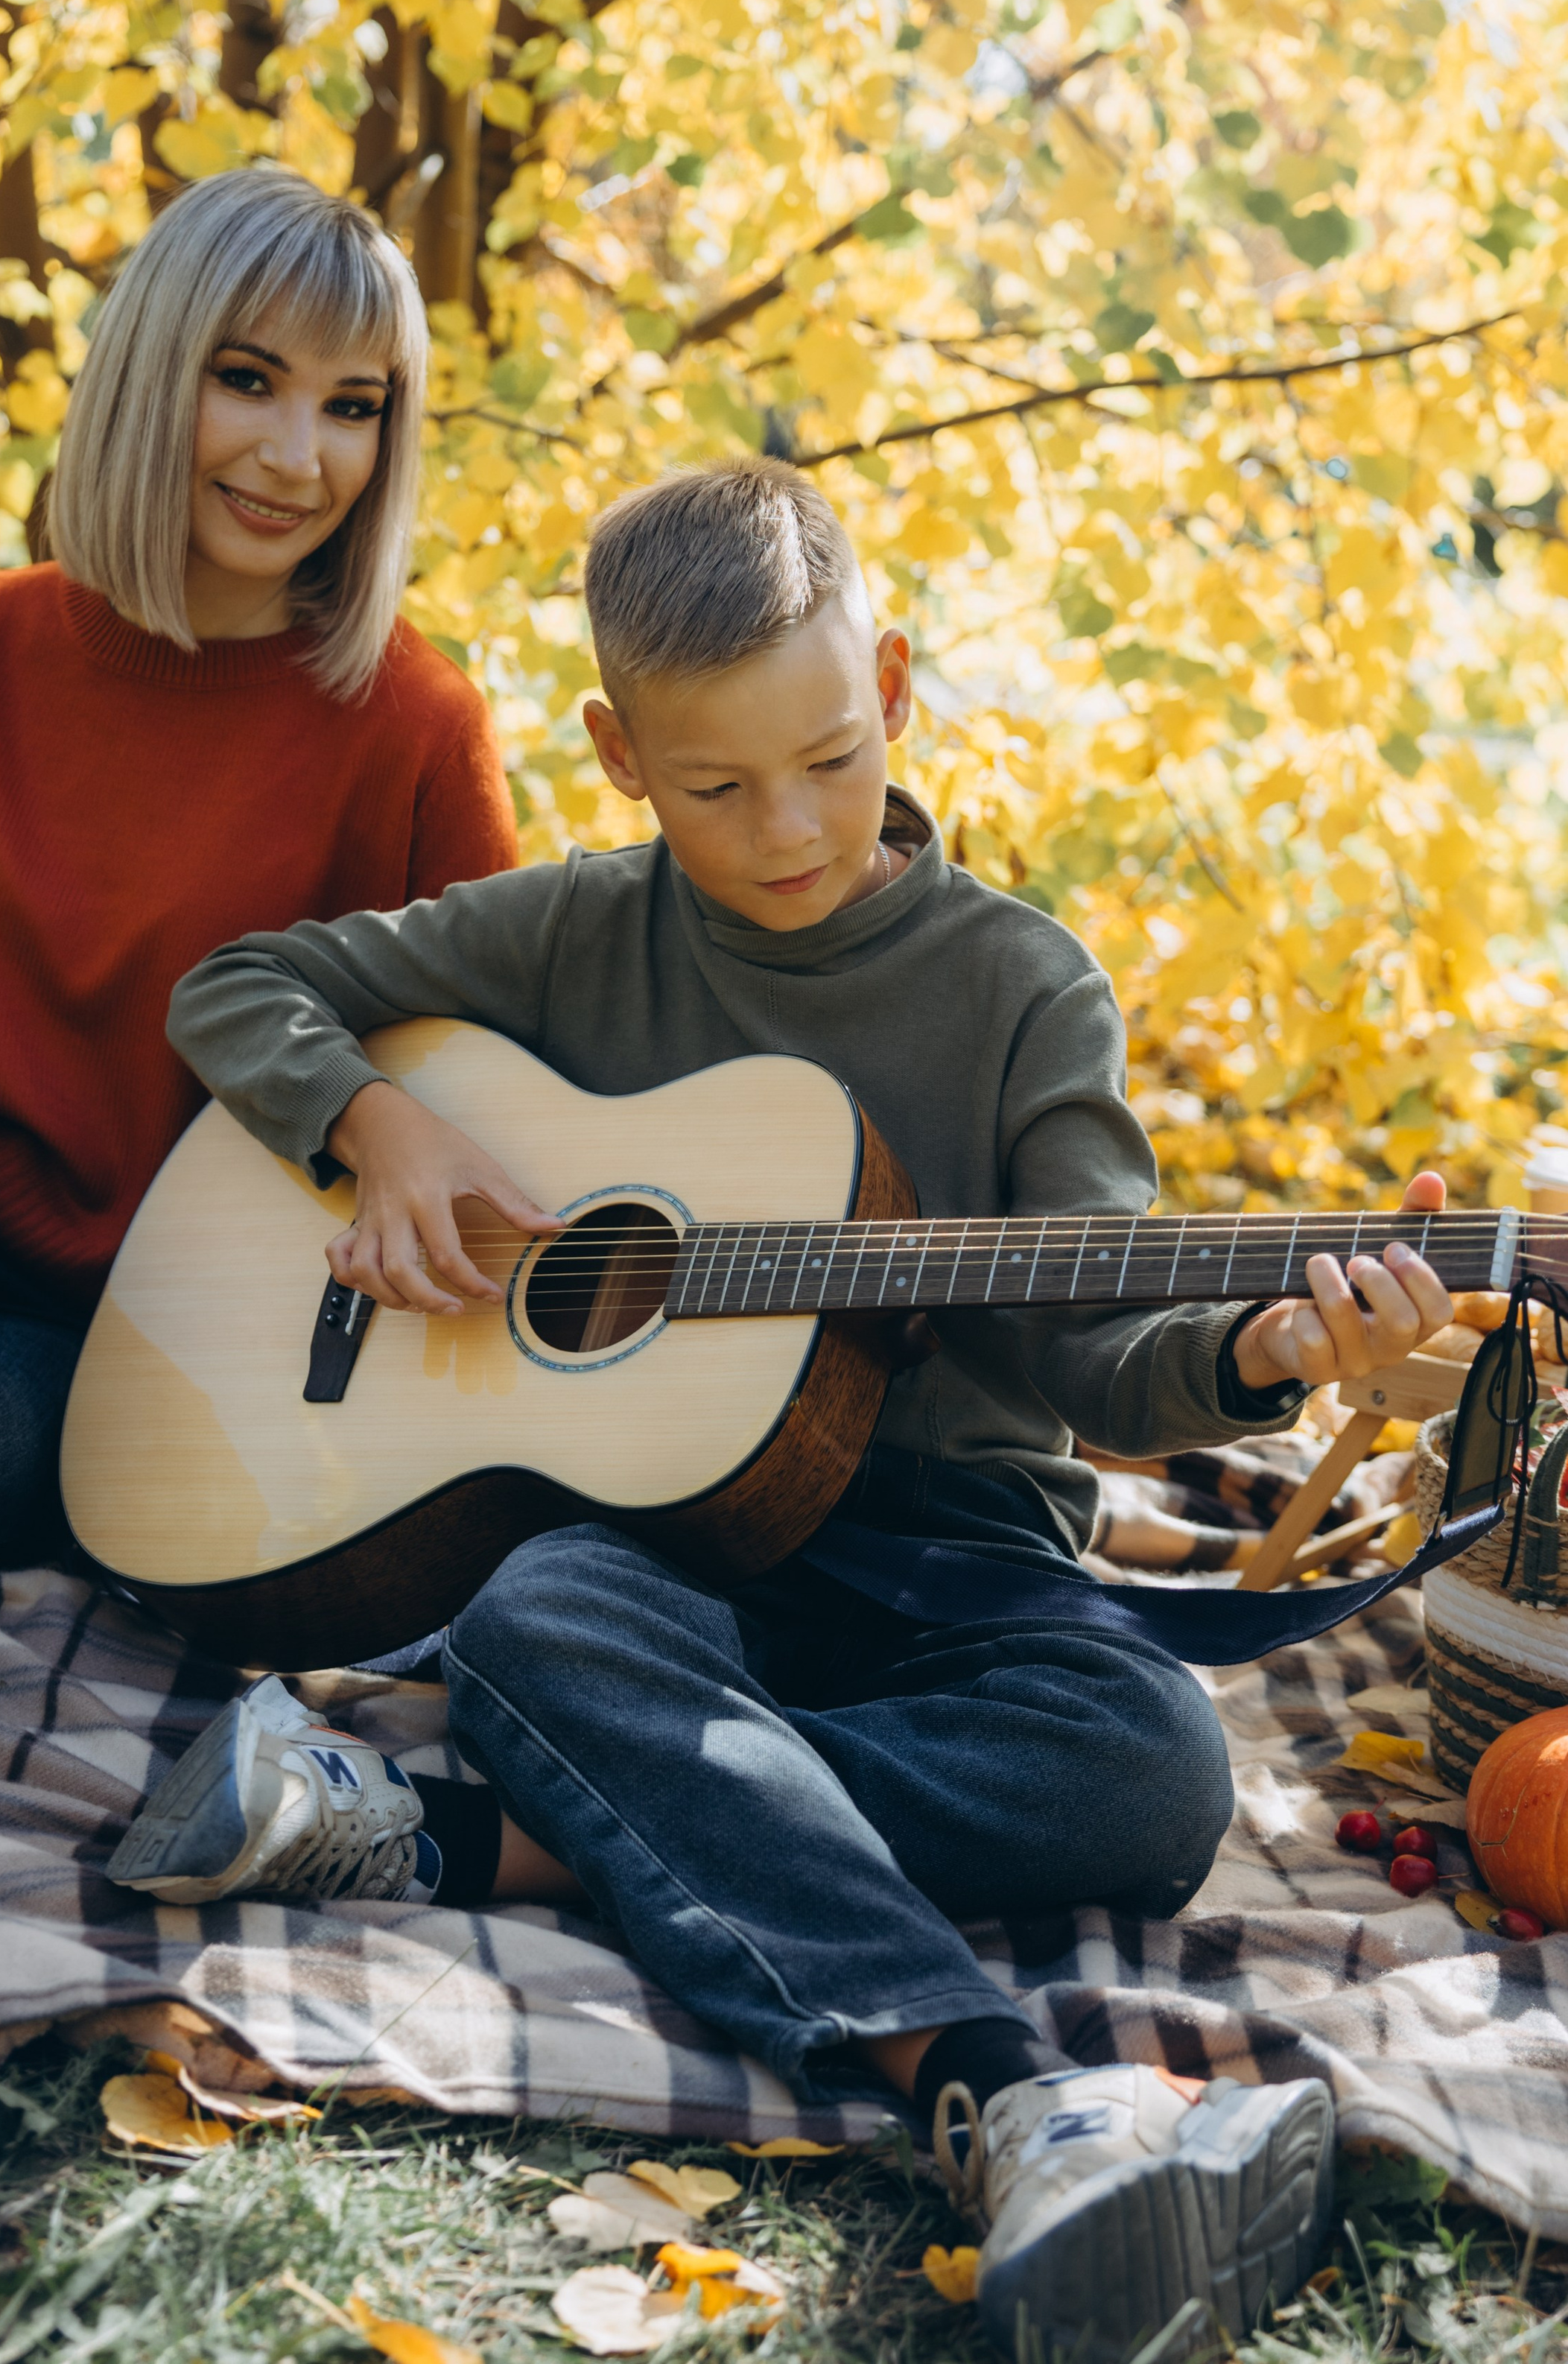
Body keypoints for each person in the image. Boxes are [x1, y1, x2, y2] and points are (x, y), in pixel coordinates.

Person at [116, 460, 1452, 2360]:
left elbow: (1096, 1355)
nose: (787, 828)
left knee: (1149, 1768)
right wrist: (378, 1125)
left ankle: (444, 1838)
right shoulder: (579, 929)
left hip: (944, 1567)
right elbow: (240, 984)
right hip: (669, 1559)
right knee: (533, 1615)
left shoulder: (1015, 987)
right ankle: (1012, 2095)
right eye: (714, 786)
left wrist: (1257, 1358)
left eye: (827, 758)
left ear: (892, 687)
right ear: (614, 752)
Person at [0, 165, 517, 1637]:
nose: (296, 455)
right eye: (245, 381)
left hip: (87, 1334)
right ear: (150, 368)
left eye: (353, 403)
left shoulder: (416, 728)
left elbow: (496, 1095)